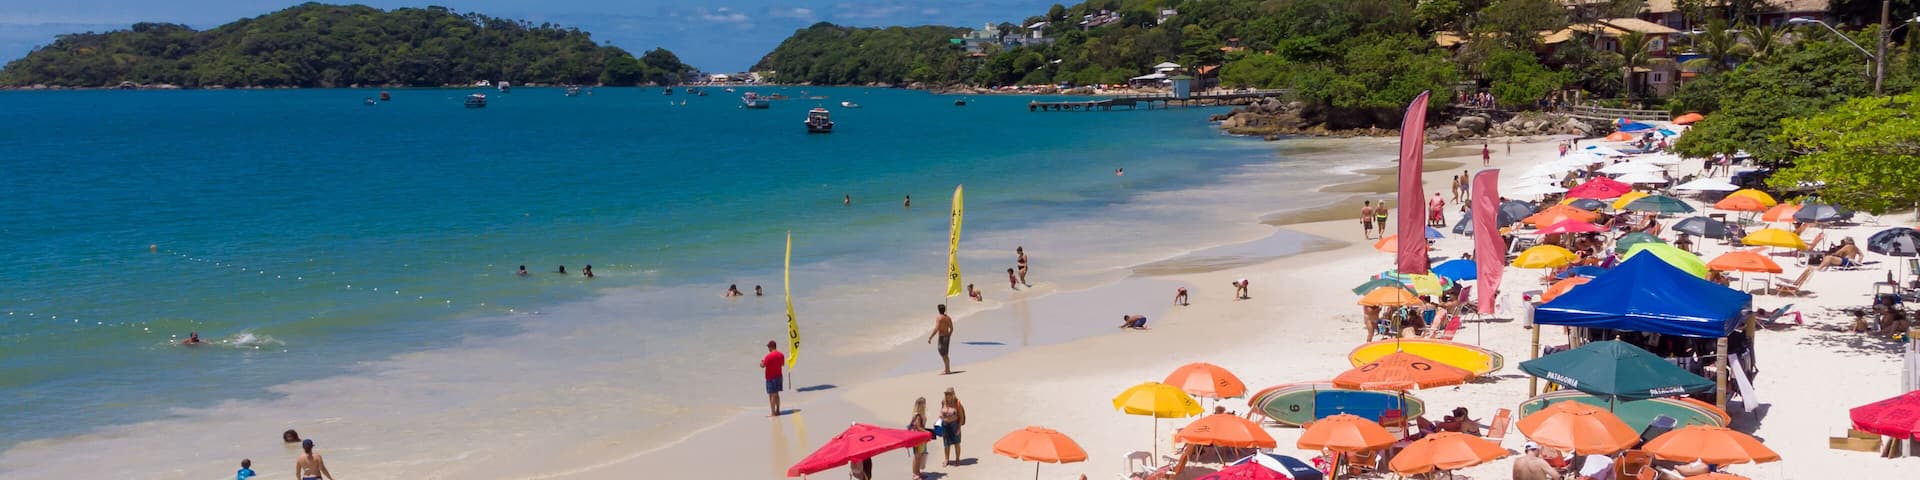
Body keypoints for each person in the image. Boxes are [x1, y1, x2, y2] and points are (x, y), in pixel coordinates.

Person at [940, 388, 967, 466]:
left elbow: (961, 417)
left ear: (953, 394)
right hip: (945, 425)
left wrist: (959, 428)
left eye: (949, 394)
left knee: (956, 443)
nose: (947, 395)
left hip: (954, 425)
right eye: (946, 394)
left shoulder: (957, 403)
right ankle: (946, 459)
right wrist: (940, 419)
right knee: (946, 444)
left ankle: (957, 459)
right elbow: (941, 411)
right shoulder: (943, 402)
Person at [927, 304, 954, 375]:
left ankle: (947, 370)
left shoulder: (939, 318)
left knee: (942, 352)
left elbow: (936, 329)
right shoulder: (948, 318)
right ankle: (947, 369)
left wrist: (930, 337)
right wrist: (949, 335)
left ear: (938, 310)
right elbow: (951, 328)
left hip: (942, 337)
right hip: (947, 336)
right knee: (945, 353)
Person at [760, 340, 784, 417]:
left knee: (771, 395)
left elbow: (762, 365)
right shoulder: (781, 355)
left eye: (768, 347)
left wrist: (761, 362)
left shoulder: (768, 356)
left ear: (771, 347)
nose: (768, 349)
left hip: (771, 377)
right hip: (779, 376)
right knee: (776, 394)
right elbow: (782, 364)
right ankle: (778, 411)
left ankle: (773, 413)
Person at [908, 397, 930, 478]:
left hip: (920, 438)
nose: (925, 405)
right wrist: (927, 432)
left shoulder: (920, 414)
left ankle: (918, 472)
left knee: (919, 455)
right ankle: (915, 473)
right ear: (920, 404)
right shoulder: (917, 415)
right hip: (917, 438)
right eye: (924, 403)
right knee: (917, 456)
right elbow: (918, 427)